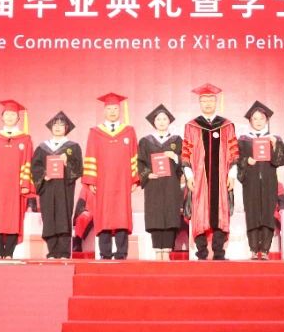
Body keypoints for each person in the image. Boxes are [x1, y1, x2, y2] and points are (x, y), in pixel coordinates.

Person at [181, 84, 238, 261]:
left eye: (211, 100)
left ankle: (219, 252)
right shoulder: (192, 126)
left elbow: (233, 150)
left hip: (221, 177)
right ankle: (202, 252)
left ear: (216, 102)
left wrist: (232, 173)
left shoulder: (227, 125)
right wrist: (189, 174)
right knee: (200, 212)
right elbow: (186, 151)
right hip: (199, 178)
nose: (207, 103)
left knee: (220, 211)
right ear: (199, 102)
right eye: (204, 100)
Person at [81, 92, 138, 261]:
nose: (112, 112)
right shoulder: (95, 132)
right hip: (103, 181)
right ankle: (105, 253)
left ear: (119, 110)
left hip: (123, 181)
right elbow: (90, 155)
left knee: (122, 216)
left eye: (115, 109)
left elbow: (134, 156)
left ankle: (121, 253)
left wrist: (134, 179)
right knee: (104, 216)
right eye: (109, 109)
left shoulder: (128, 131)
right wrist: (91, 180)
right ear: (104, 111)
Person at [0, 100, 34, 260]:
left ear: (18, 118)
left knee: (13, 217)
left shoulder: (25, 139)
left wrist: (25, 184)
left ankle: (9, 252)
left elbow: (28, 162)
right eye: (7, 114)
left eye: (13, 115)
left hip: (16, 186)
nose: (10, 117)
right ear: (2, 117)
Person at [236, 101, 284, 260]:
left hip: (269, 182)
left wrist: (275, 146)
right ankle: (253, 249)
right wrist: (246, 161)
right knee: (252, 213)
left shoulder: (274, 138)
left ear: (266, 120)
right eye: (255, 118)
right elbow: (236, 159)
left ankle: (265, 250)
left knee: (267, 213)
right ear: (250, 121)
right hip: (251, 183)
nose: (258, 121)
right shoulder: (243, 140)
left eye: (261, 118)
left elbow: (283, 160)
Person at [137, 104, 185, 261]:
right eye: (158, 119)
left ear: (169, 121)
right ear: (154, 122)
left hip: (171, 184)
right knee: (156, 216)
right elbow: (140, 162)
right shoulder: (145, 141)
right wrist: (147, 174)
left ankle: (167, 251)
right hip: (154, 184)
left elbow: (185, 160)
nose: (162, 122)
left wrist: (175, 157)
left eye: (164, 119)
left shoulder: (177, 140)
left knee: (170, 216)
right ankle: (158, 251)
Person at [32, 112, 81, 259]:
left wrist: (67, 163)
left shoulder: (73, 147)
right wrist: (43, 175)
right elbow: (35, 167)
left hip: (64, 188)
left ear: (66, 128)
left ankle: (64, 252)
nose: (58, 127)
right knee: (49, 217)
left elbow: (78, 168)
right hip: (47, 187)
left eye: (61, 125)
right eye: (55, 125)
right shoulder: (42, 148)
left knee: (63, 216)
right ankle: (52, 251)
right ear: (51, 127)